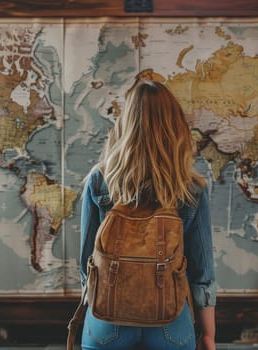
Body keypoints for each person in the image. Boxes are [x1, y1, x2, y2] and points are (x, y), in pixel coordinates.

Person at [79, 76, 216, 350]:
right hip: (171, 321)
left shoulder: (99, 179)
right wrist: (209, 335)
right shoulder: (190, 187)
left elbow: (87, 264)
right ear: (175, 126)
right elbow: (202, 273)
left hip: (107, 321)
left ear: (126, 124)